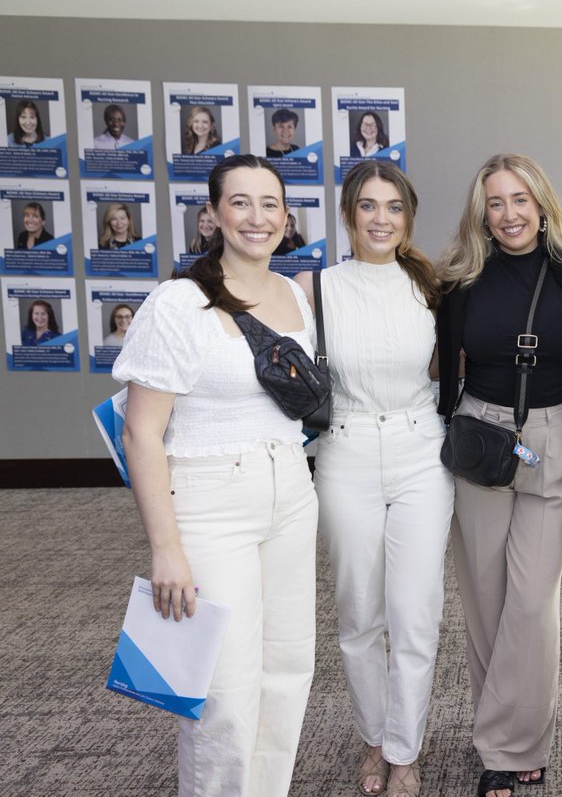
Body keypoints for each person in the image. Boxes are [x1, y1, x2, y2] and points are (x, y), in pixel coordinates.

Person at [113, 154, 319, 797]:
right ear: (213, 214)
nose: (257, 218)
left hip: (291, 490)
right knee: (224, 692)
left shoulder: (296, 295)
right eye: (241, 203)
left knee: (286, 672)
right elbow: (141, 431)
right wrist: (165, 548)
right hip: (209, 502)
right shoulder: (177, 302)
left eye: (270, 204)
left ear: (287, 218)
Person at [293, 161, 452, 797]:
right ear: (348, 214)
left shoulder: (432, 286)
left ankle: (405, 750)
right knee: (358, 612)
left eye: (393, 207)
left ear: (408, 217)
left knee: (415, 612)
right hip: (345, 451)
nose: (380, 219)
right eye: (367, 206)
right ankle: (372, 740)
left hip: (421, 452)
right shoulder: (315, 287)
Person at [436, 153, 562, 797]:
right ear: (482, 212)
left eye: (520, 200)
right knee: (485, 596)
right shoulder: (460, 279)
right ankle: (504, 736)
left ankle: (511, 744)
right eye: (495, 203)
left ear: (542, 203)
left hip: (555, 435)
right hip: (481, 436)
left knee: (532, 600)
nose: (509, 215)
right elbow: (445, 370)